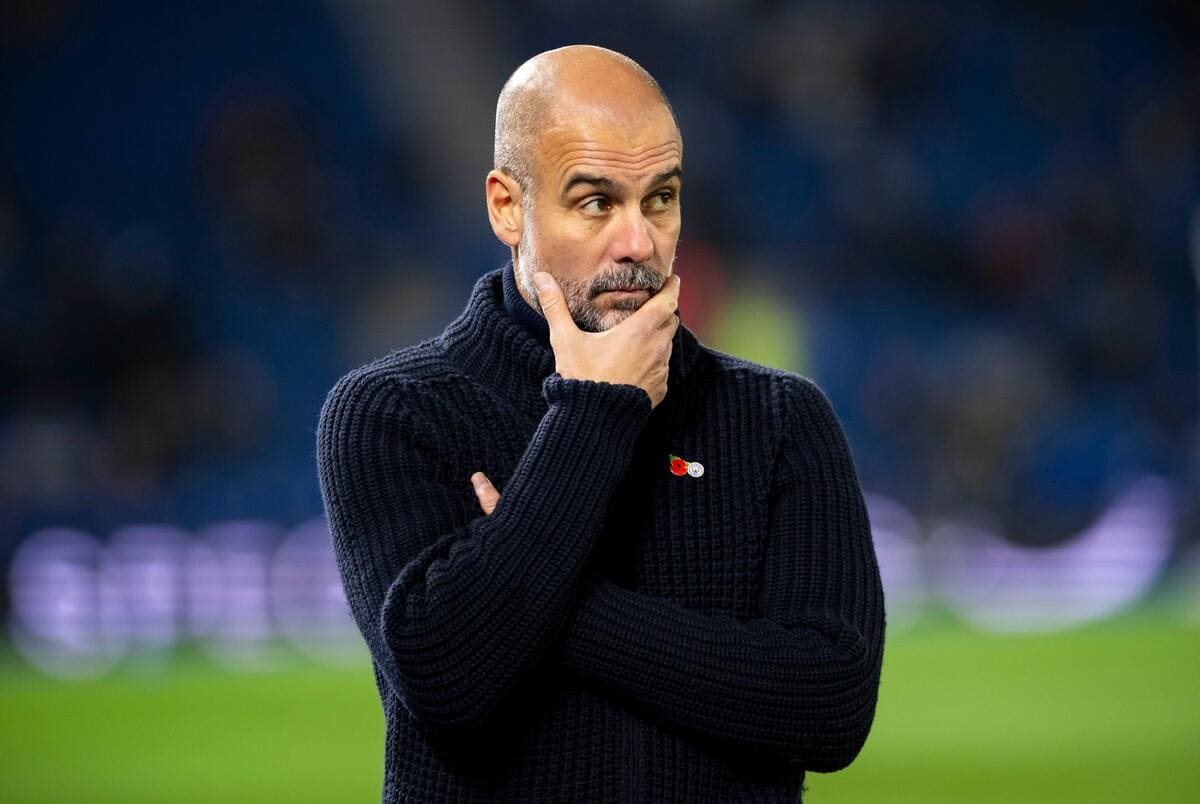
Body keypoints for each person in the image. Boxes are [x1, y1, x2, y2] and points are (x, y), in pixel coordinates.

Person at [317, 44, 885, 802]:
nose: (639, 242)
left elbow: (831, 708)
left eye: (661, 198)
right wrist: (594, 411)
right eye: (595, 202)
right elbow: (449, 678)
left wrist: (547, 596)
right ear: (507, 207)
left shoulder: (780, 417)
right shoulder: (390, 412)